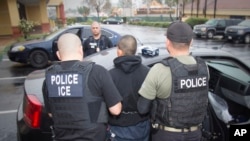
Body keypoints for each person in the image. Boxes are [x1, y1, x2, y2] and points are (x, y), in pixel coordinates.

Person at [42, 33, 122, 141]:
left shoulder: (48, 79)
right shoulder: (97, 72)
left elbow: (52, 114)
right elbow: (116, 110)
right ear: (81, 50)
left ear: (58, 54)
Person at [137, 22, 209, 141]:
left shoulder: (159, 70)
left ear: (168, 42)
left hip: (167, 136)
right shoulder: (204, 68)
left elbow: (142, 108)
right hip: (195, 134)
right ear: (191, 42)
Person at [107, 35, 151, 141]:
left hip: (118, 127)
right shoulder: (148, 72)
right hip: (142, 126)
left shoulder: (110, 75)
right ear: (135, 50)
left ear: (119, 51)